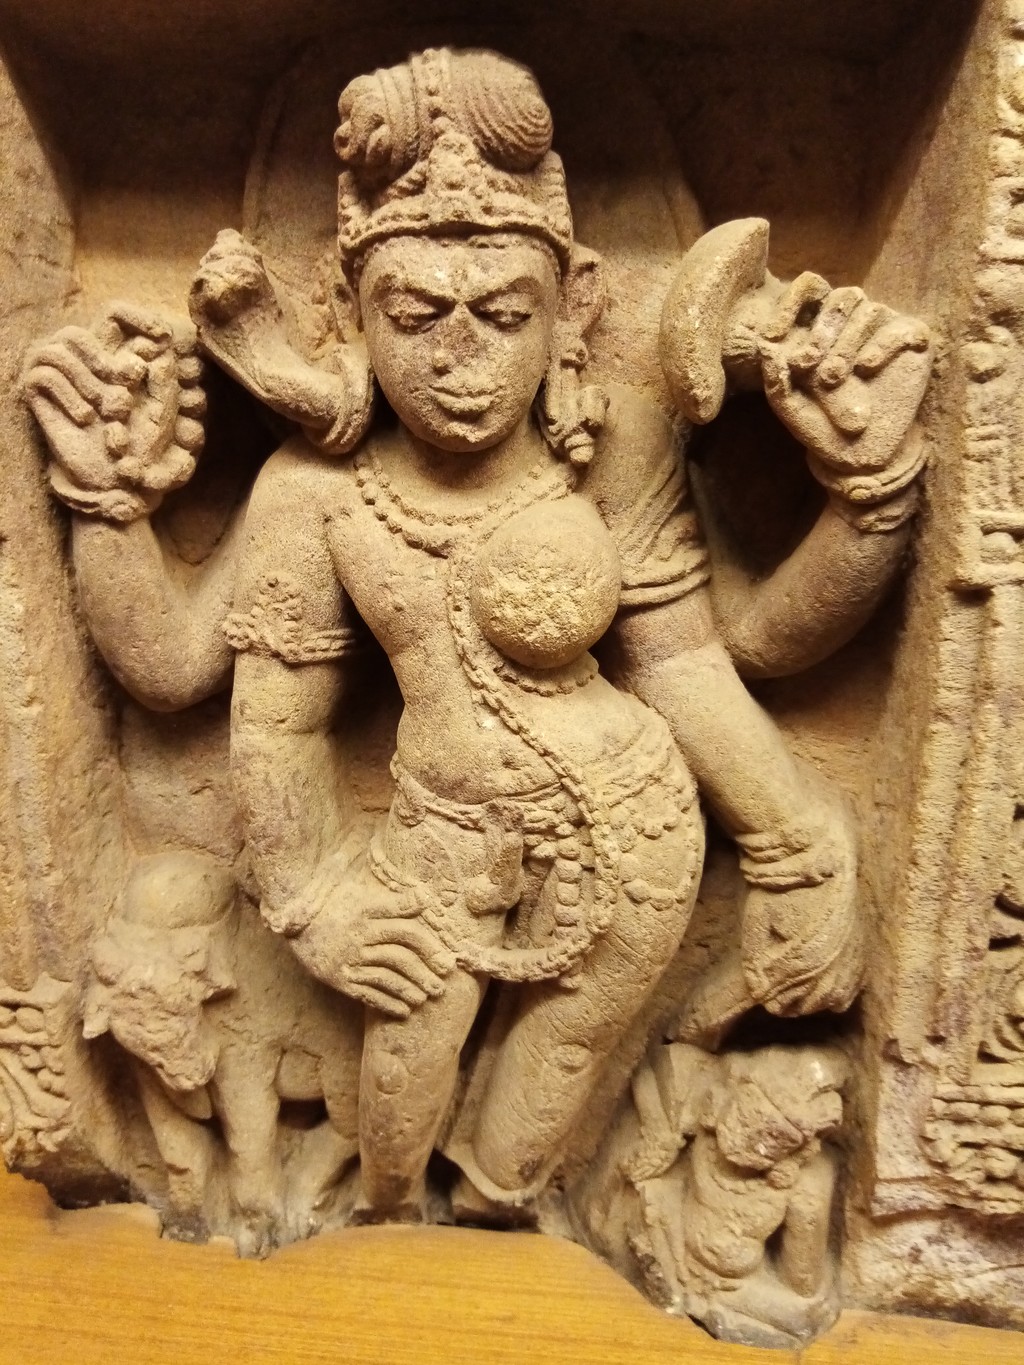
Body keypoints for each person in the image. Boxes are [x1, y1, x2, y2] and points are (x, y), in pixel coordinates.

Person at [24, 47, 932, 1224]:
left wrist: (868, 508)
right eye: (414, 315)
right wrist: (312, 896)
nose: (460, 360)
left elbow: (706, 661)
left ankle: (503, 1207)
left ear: (573, 307)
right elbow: (247, 712)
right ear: (345, 305)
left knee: (549, 1087)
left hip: (644, 840)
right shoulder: (318, 494)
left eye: (505, 314)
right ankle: (389, 1212)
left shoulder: (611, 452)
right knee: (408, 1057)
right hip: (440, 842)